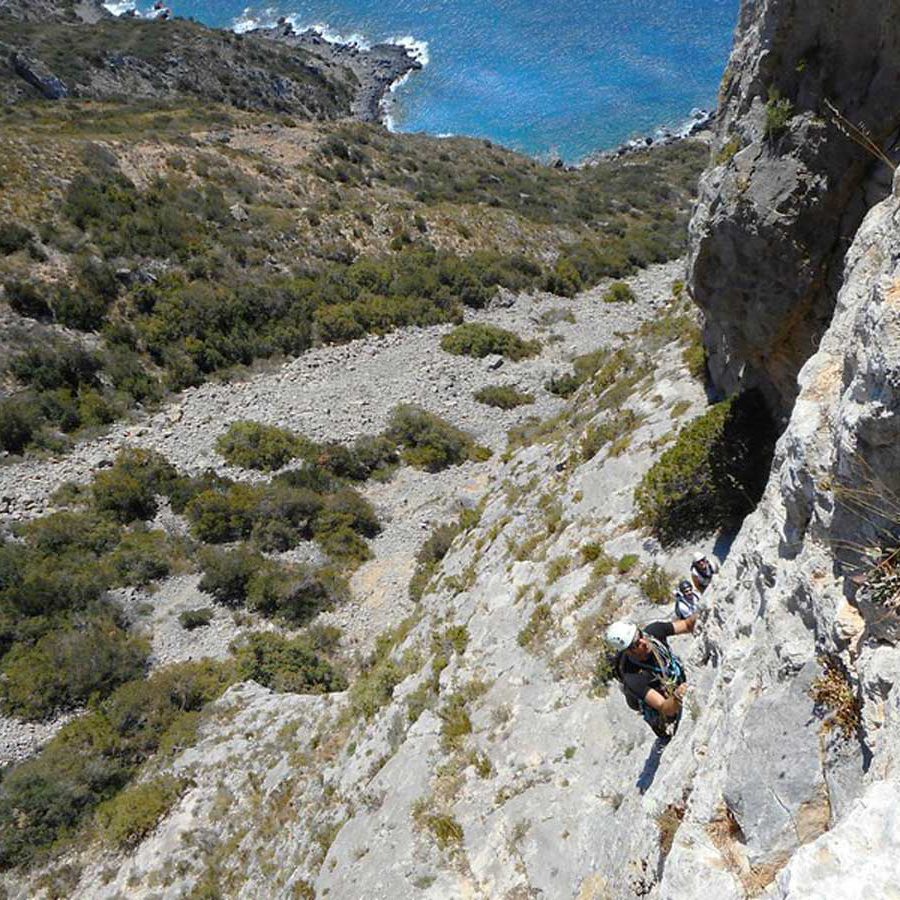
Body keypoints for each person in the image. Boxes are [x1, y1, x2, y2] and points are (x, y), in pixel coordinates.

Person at [606, 617, 695, 739]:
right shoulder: (632, 677)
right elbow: (664, 707)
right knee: (665, 721)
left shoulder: (654, 631)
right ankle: (659, 728)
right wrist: (677, 696)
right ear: (628, 652)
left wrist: (702, 613)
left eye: (640, 634)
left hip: (666, 677)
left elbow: (686, 625)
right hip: (652, 695)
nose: (643, 641)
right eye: (636, 644)